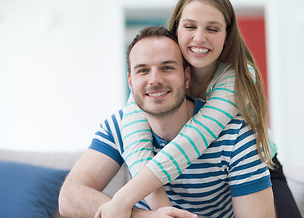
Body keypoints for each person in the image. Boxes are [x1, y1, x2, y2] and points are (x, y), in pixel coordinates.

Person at [119, 0, 301, 218]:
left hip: (259, 164)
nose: (199, 37)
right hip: (195, 169)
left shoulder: (237, 77)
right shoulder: (158, 79)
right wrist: (162, 211)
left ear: (227, 36)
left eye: (213, 29)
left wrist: (124, 198)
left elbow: (194, 138)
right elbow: (135, 143)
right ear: (175, 30)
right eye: (190, 26)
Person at [59, 26, 276, 218]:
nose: (154, 80)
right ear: (130, 81)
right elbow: (69, 197)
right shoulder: (118, 127)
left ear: (187, 76)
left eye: (167, 68)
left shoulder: (236, 135)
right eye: (143, 70)